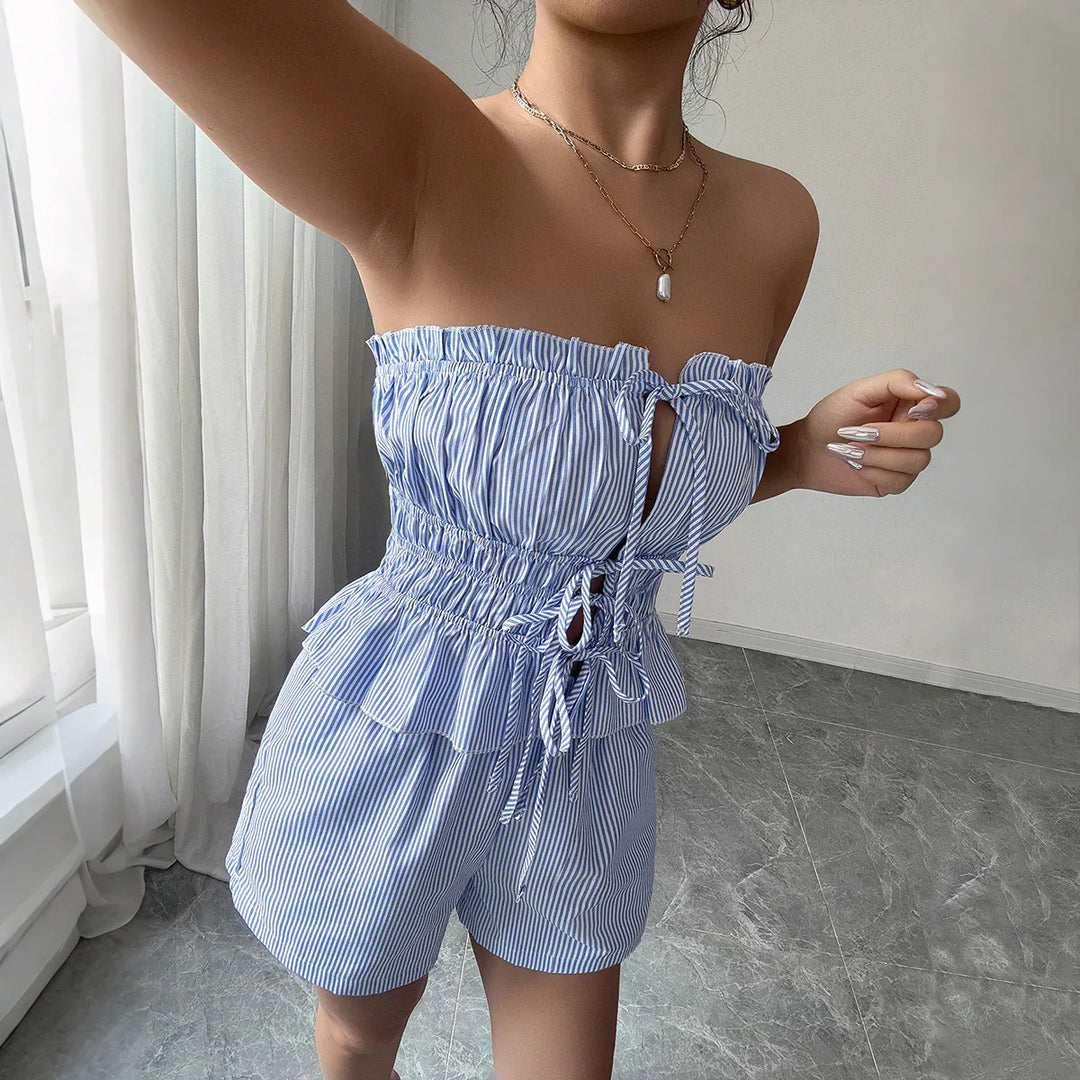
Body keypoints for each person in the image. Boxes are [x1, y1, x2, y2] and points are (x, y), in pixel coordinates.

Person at [72, 2, 960, 1078]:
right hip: (405, 713)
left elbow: (616, 502)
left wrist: (791, 452)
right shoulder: (423, 152)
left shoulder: (776, 221)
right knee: (360, 1034)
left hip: (594, 729)